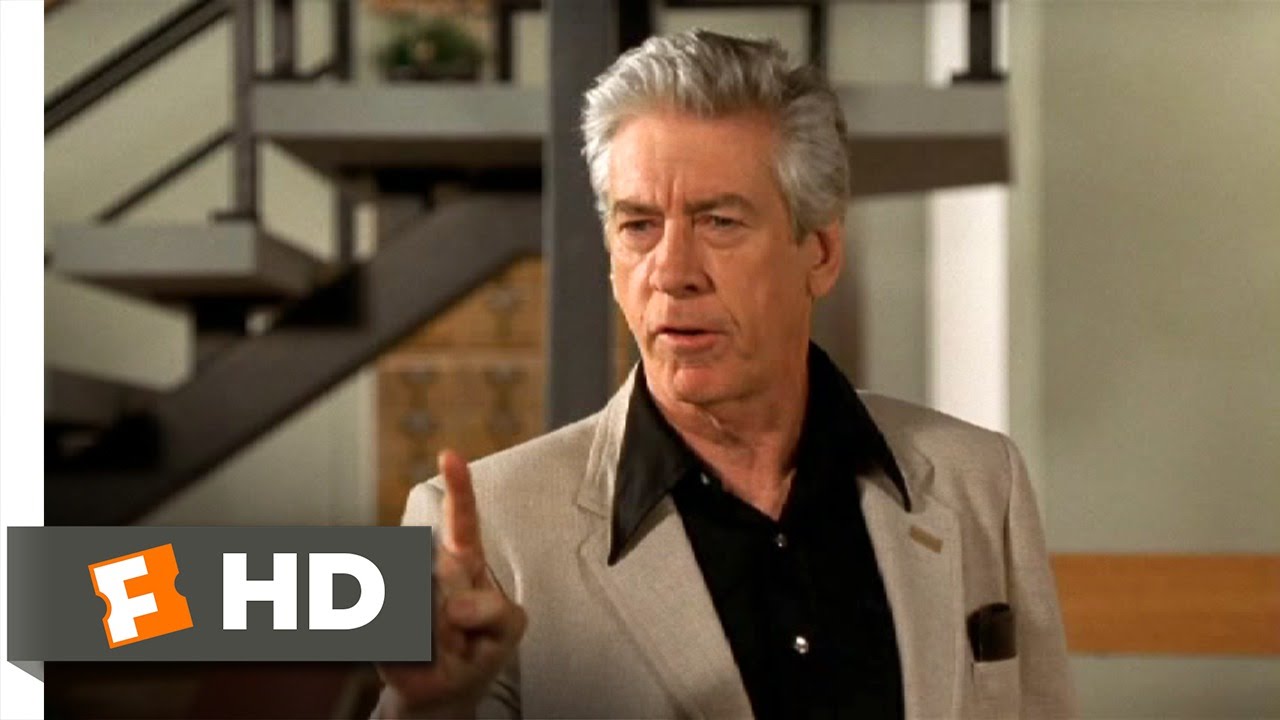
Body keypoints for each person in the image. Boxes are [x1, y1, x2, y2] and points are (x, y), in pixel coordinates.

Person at [374, 29, 1074, 720]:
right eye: (639, 226)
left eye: (718, 222)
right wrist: (426, 706)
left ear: (821, 252)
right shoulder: (484, 528)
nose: (672, 273)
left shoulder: (982, 481)